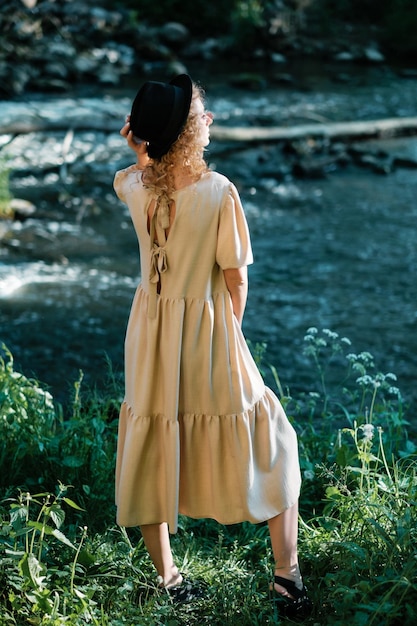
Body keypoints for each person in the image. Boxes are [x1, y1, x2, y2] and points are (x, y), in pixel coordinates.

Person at [114, 74, 311, 619]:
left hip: (150, 336)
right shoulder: (219, 192)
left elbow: (136, 176)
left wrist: (141, 153)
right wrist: (232, 335)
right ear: (184, 133)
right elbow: (236, 279)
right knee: (273, 437)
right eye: (202, 114)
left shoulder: (131, 185)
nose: (209, 120)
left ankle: (169, 577)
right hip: (210, 332)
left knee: (153, 435)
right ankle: (286, 576)